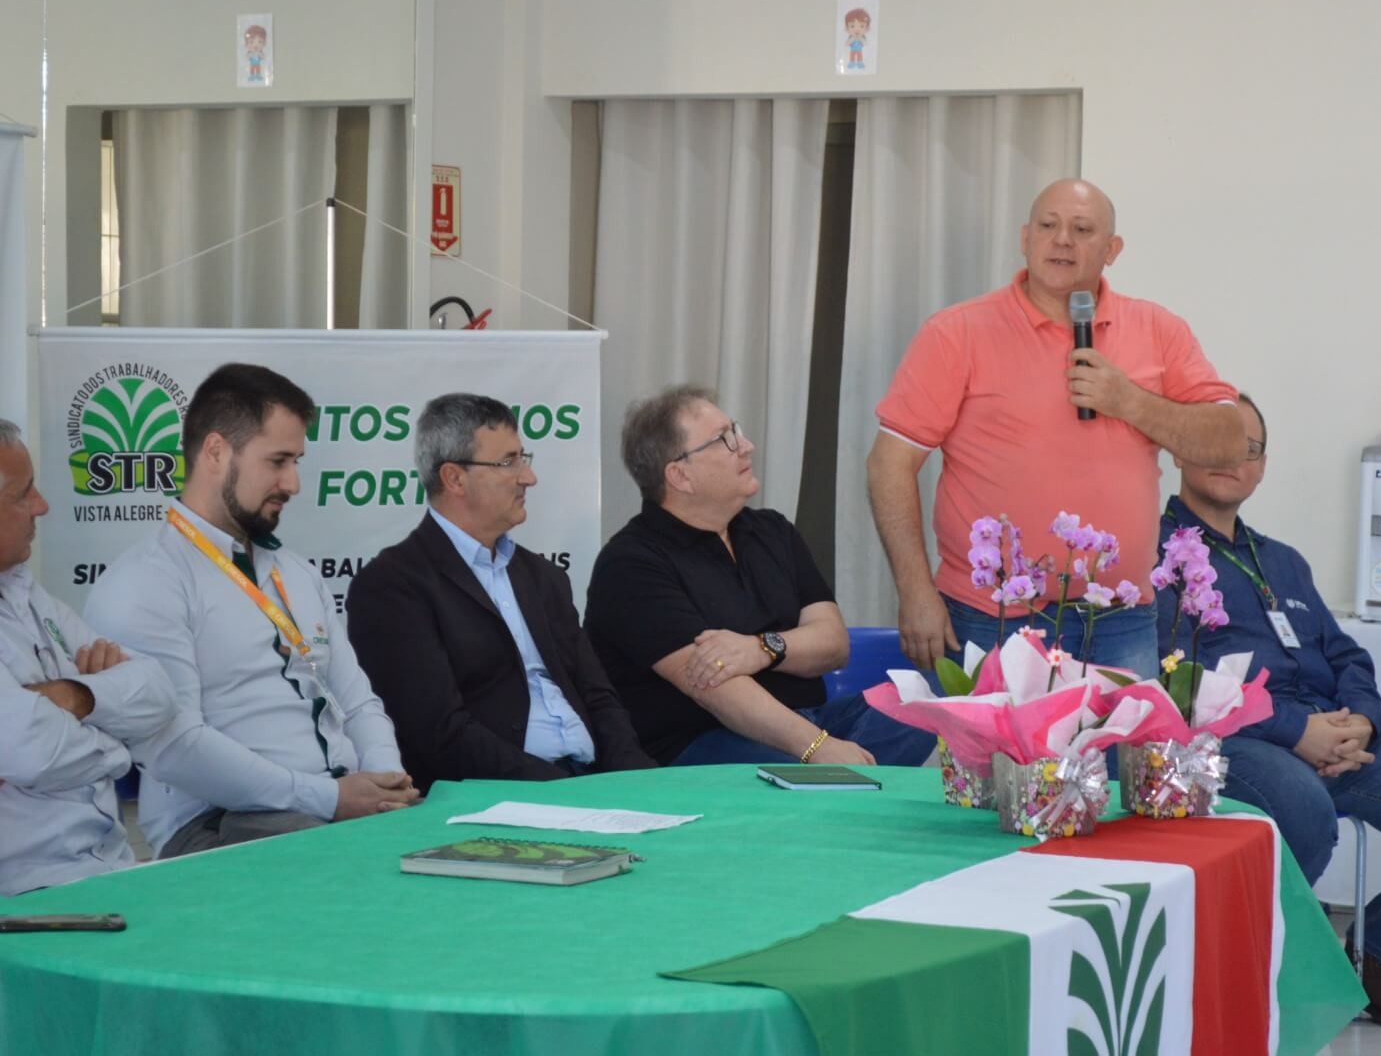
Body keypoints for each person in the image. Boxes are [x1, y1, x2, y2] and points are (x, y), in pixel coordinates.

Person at [1157, 393, 1381, 1034]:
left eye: (1247, 448)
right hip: (1236, 742)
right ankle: (1252, 979)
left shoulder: (1282, 561)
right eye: (1215, 442)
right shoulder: (1156, 556)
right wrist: (1294, 731)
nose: (1231, 459)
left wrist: (1363, 722)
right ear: (1180, 449)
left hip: (1336, 736)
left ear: (1262, 466)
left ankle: (1379, 959)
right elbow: (1174, 677)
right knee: (1304, 812)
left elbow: (1347, 655)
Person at [867, 178, 1246, 678]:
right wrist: (914, 589)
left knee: (1121, 737)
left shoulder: (1159, 330)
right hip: (989, 616)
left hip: (1120, 621)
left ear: (1112, 250)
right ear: (1025, 239)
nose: (1062, 239)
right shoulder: (956, 333)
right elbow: (890, 464)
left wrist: (1129, 401)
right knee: (986, 737)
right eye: (1048, 225)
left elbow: (1229, 443)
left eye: (1082, 229)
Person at [86, 364, 418, 858]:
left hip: (332, 804)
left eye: (296, 461)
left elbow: (358, 702)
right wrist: (328, 798)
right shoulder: (146, 582)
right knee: (353, 869)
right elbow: (176, 748)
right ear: (216, 452)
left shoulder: (297, 572)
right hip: (219, 822)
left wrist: (386, 783)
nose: (293, 483)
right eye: (278, 461)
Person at [586, 385, 934, 767]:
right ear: (680, 475)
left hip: (813, 721)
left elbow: (833, 644)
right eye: (725, 439)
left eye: (736, 431)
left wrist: (761, 649)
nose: (746, 446)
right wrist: (817, 749)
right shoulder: (631, 564)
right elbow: (714, 687)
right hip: (702, 740)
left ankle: (839, 783)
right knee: (787, 772)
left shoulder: (772, 531)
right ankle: (838, 782)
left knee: (929, 700)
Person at [346, 394, 655, 792]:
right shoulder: (393, 586)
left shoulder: (543, 577)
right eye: (508, 463)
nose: (529, 477)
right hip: (502, 796)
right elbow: (438, 733)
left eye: (523, 459)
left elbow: (599, 697)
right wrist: (562, 791)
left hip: (589, 782)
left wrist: (639, 781)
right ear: (454, 478)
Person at [0, 420, 176, 895]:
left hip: (112, 871)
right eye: (23, 494)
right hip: (27, 895)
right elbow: (31, 749)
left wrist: (75, 696)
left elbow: (159, 693)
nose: (42, 505)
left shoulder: (27, 595)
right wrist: (119, 743)